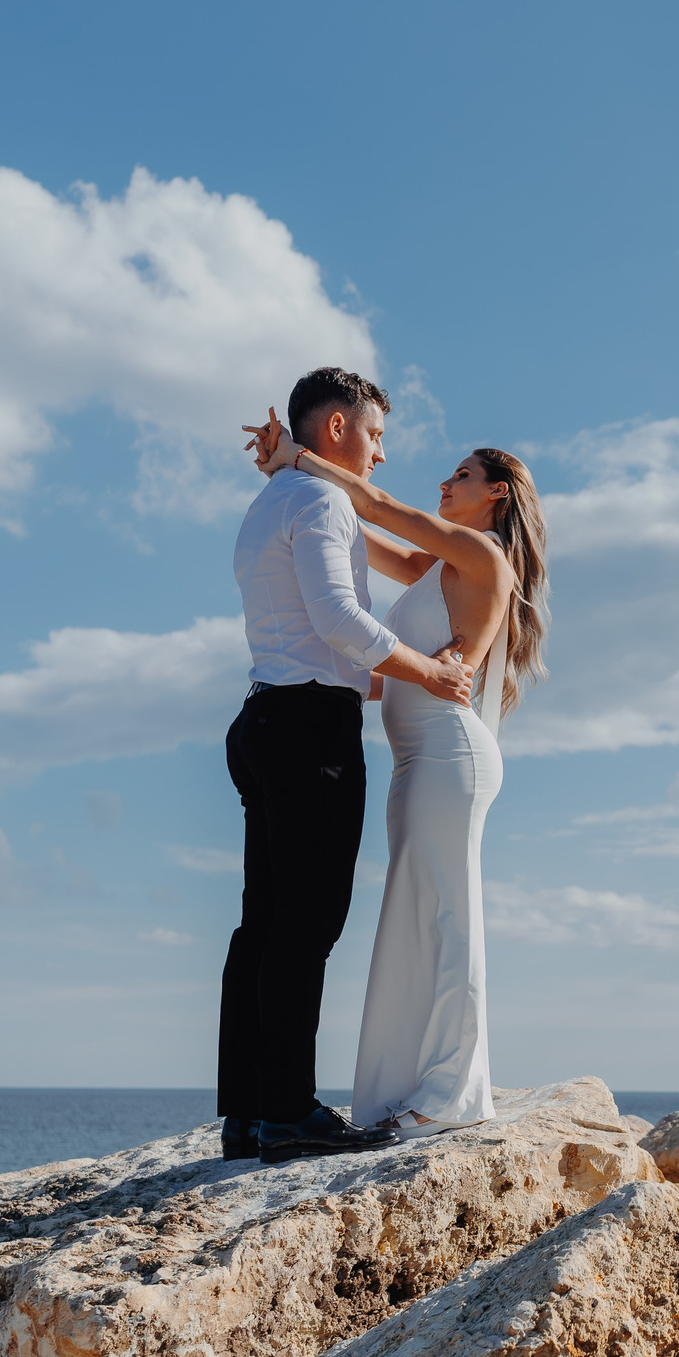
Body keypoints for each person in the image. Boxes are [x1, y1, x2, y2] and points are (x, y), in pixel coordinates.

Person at [245, 412, 547, 1135]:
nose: (446, 482)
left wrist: (296, 454)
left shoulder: (482, 557)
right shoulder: (440, 570)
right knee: (418, 919)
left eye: (463, 475)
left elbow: (381, 507)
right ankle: (415, 1083)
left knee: (448, 915)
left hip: (448, 755)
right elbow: (360, 530)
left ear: (496, 495)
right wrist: (290, 477)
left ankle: (451, 1095)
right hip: (419, 759)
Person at [221, 367, 473, 1164]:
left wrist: (374, 675)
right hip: (305, 731)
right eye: (376, 435)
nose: (381, 454)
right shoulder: (323, 499)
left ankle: (249, 1112)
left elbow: (311, 627)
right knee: (307, 921)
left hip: (263, 716)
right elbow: (336, 618)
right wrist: (429, 673)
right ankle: (290, 1111)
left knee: (262, 921)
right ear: (336, 430)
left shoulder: (269, 503)